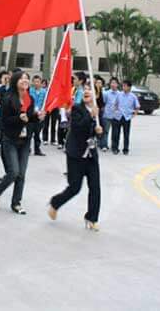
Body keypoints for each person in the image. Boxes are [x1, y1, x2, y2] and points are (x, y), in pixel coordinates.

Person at [48, 86, 103, 231]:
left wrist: (99, 132)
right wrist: (91, 116)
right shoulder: (77, 108)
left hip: (90, 155)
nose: (87, 91)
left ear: (96, 94)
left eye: (91, 89)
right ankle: (55, 203)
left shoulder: (98, 111)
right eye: (85, 88)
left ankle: (92, 218)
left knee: (95, 188)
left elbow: (97, 132)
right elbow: (78, 128)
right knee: (74, 187)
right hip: (76, 154)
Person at [0, 71, 44, 215]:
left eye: (27, 78)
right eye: (22, 79)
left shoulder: (30, 99)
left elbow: (30, 119)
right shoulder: (8, 98)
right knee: (14, 172)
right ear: (15, 81)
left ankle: (16, 203)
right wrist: (19, 119)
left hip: (25, 141)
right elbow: (2, 122)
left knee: (21, 174)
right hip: (10, 140)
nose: (25, 81)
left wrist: (37, 117)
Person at [111, 80, 139, 155]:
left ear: (129, 87)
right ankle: (115, 148)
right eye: (123, 86)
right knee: (116, 134)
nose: (123, 87)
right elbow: (115, 104)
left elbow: (137, 106)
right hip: (118, 116)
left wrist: (134, 114)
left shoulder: (133, 96)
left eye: (125, 86)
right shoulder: (119, 95)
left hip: (126, 117)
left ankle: (125, 149)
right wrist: (115, 111)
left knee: (126, 134)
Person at [29, 75, 46, 156]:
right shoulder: (30, 91)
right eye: (34, 81)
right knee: (29, 132)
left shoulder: (44, 92)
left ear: (41, 82)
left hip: (40, 115)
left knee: (37, 133)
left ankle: (37, 149)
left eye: (38, 82)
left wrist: (42, 112)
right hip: (31, 114)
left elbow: (45, 103)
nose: (36, 83)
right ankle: (27, 149)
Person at [102, 78, 120, 152]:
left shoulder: (120, 94)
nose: (113, 84)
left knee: (115, 132)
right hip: (107, 114)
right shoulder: (106, 93)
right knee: (106, 131)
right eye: (112, 83)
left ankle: (114, 146)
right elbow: (104, 103)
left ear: (117, 84)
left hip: (116, 116)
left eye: (115, 83)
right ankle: (104, 145)